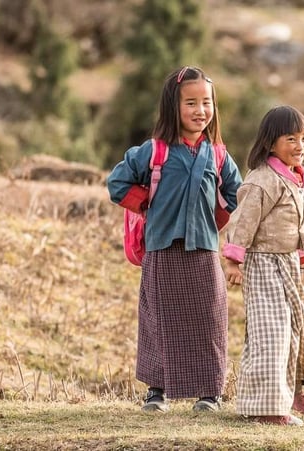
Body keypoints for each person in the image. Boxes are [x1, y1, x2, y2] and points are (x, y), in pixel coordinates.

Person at [107, 66, 242, 413]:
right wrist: (149, 207)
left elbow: (236, 194)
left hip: (204, 249)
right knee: (159, 319)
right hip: (162, 246)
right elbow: (117, 184)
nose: (201, 111)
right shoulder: (154, 151)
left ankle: (209, 393)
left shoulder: (218, 155)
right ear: (172, 107)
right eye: (191, 103)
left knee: (210, 319)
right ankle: (157, 391)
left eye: (207, 102)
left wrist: (214, 222)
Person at [222, 105, 304, 426]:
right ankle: (266, 407)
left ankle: (291, 392)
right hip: (263, 263)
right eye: (290, 139)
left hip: (288, 264)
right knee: (272, 334)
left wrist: (301, 255)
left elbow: (296, 222)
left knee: (300, 327)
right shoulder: (262, 180)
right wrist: (233, 261)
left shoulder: (298, 178)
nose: (300, 146)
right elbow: (243, 221)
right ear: (270, 144)